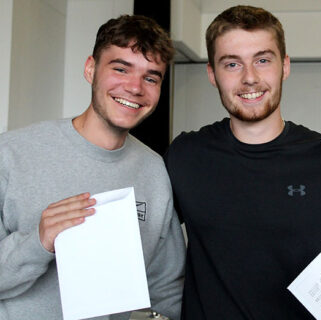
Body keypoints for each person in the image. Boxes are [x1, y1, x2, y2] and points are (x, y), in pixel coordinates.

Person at [165, 5, 321, 319]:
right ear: (212, 74)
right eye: (232, 64)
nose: (250, 78)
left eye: (262, 60)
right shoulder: (186, 155)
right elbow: (144, 240)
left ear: (284, 66)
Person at [0, 15, 185, 320]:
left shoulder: (155, 172)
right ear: (90, 69)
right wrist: (38, 241)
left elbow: (166, 290)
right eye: (121, 69)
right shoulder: (11, 154)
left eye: (151, 77)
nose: (135, 87)